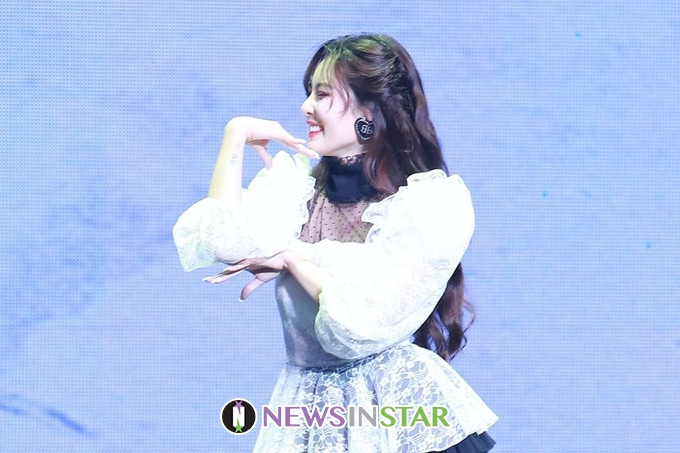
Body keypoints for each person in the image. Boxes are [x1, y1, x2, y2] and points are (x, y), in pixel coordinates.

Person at [172, 34, 498, 453]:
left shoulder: (429, 203)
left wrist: (293, 258)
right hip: (310, 413)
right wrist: (234, 135)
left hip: (400, 416)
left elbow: (361, 323)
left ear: (368, 112)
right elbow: (222, 241)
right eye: (309, 92)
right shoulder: (297, 188)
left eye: (322, 94)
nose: (306, 106)